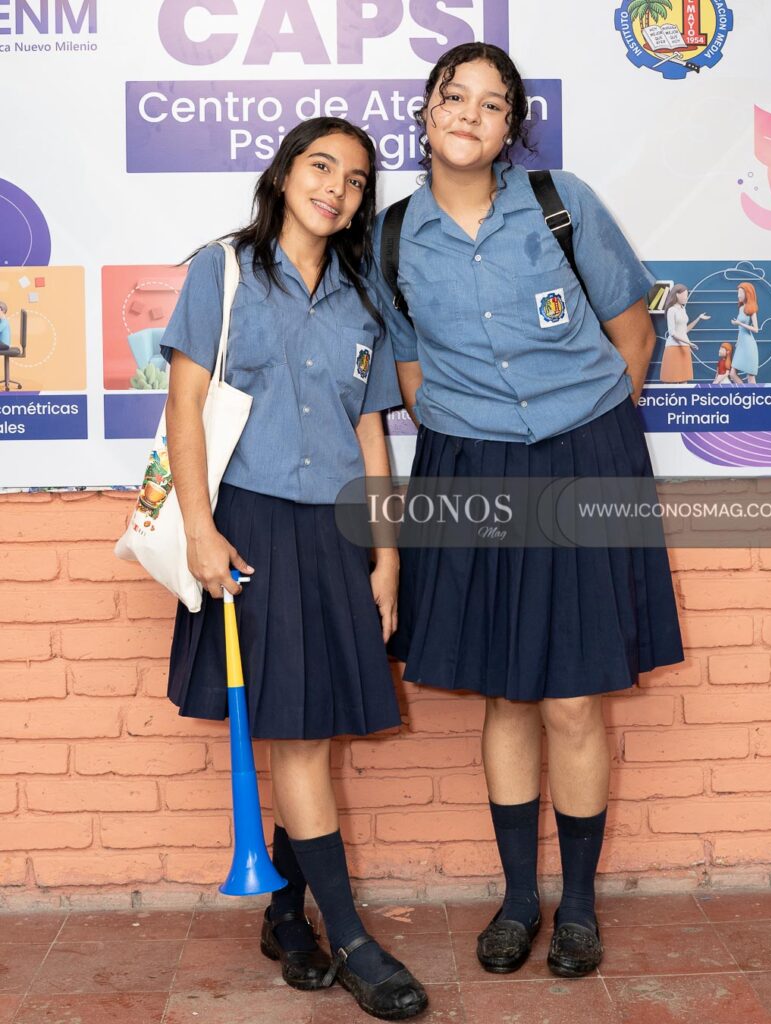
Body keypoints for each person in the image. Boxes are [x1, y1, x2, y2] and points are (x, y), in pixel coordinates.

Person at [373, 43, 684, 980]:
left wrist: (584, 440)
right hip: (470, 467)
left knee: (573, 695)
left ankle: (577, 906)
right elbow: (412, 375)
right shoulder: (392, 238)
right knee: (506, 692)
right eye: (452, 96)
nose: (468, 114)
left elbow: (632, 333)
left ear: (511, 126)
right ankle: (517, 900)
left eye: (490, 103)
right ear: (426, 112)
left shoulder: (560, 203)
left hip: (585, 457)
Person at [161, 117, 427, 1021]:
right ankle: (350, 938)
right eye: (321, 167)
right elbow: (186, 409)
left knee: (304, 721)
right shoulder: (223, 271)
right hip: (252, 528)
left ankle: (283, 915)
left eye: (355, 180)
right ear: (283, 174)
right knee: (301, 735)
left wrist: (386, 556)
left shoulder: (361, 295)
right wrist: (200, 529)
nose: (336, 189)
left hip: (339, 534)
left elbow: (370, 429)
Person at [660, 284, 709, 382]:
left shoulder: (683, 309)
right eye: (685, 295)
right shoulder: (671, 310)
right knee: (672, 380)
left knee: (684, 379)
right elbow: (672, 333)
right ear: (677, 295)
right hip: (674, 347)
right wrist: (689, 343)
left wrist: (698, 318)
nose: (686, 298)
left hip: (684, 347)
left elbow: (684, 330)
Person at [729, 281, 760, 384]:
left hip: (749, 345)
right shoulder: (741, 308)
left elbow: (756, 329)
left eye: (741, 293)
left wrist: (740, 323)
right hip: (741, 345)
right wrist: (738, 341)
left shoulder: (751, 310)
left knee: (750, 377)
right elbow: (740, 329)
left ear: (747, 294)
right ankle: (745, 391)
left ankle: (753, 393)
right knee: (732, 374)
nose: (738, 295)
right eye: (738, 293)